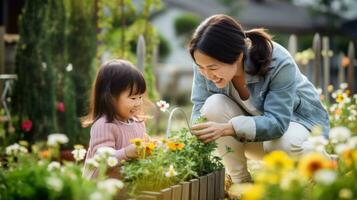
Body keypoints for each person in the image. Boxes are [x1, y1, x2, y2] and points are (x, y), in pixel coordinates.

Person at [188, 14, 330, 183]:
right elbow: (200, 109)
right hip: (255, 138)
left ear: (238, 55)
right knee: (212, 106)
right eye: (201, 67)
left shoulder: (278, 61)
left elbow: (277, 123)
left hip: (296, 127)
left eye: (212, 68)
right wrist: (190, 139)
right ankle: (240, 183)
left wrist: (229, 128)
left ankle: (324, 160)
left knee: (280, 144)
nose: (207, 74)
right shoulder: (206, 63)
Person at [82, 59, 147, 179]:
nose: (138, 102)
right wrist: (126, 153)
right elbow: (102, 159)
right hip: (101, 190)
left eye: (140, 97)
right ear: (110, 97)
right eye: (133, 98)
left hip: (126, 188)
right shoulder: (104, 125)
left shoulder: (138, 122)